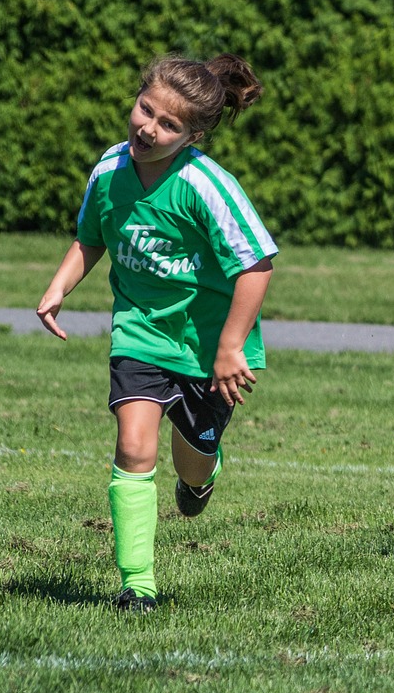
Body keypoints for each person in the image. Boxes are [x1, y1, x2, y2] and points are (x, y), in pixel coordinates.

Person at [37, 53, 276, 612]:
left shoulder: (205, 184)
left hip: (207, 347)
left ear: (192, 135)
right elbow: (91, 236)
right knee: (133, 445)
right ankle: (137, 586)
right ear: (138, 97)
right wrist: (59, 287)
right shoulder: (109, 171)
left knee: (191, 461)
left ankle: (199, 477)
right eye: (146, 110)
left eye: (168, 125)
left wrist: (230, 347)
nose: (149, 128)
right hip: (139, 333)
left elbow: (256, 264)